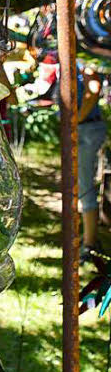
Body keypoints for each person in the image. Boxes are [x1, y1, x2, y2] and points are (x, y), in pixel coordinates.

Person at [77, 65, 106, 258]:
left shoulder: (81, 56)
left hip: (86, 129)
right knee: (83, 185)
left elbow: (94, 88)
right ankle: (88, 238)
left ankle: (89, 245)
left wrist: (74, 119)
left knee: (85, 186)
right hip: (87, 127)